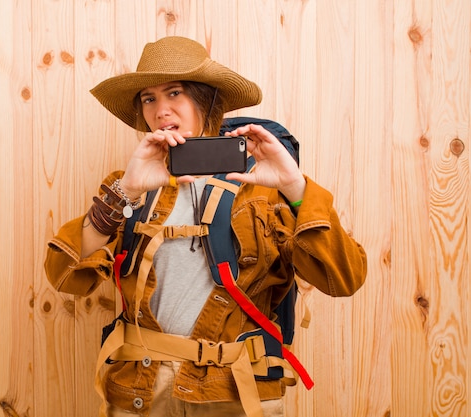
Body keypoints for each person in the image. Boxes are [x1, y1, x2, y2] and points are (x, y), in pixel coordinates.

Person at [44, 36, 367, 417]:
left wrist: (294, 186)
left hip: (232, 392)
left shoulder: (264, 188)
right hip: (140, 392)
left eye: (175, 93)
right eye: (149, 99)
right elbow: (65, 277)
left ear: (206, 98)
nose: (161, 110)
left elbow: (343, 279)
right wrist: (125, 192)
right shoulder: (126, 186)